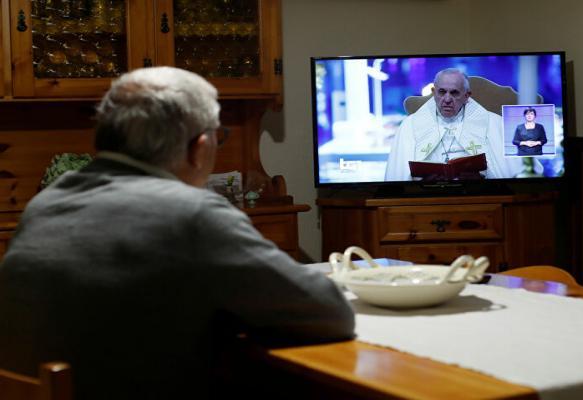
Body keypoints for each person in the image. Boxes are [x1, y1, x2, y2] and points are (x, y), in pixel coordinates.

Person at [0, 67, 355, 399]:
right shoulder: (192, 213)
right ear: (199, 147)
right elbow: (328, 313)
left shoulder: (47, 202)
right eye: (219, 135)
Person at [384, 68, 515, 180]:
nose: (447, 99)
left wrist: (482, 176)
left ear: (466, 95)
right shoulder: (410, 125)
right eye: (442, 92)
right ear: (434, 92)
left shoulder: (493, 123)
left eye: (454, 93)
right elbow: (399, 178)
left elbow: (509, 174)